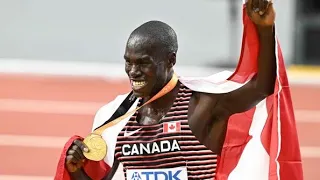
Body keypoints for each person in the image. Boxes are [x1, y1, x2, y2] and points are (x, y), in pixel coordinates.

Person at [55, 0, 303, 179]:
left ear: (171, 61)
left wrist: (264, 29)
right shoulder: (117, 120)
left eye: (143, 63)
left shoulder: (201, 106)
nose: (133, 72)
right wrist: (76, 172)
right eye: (128, 62)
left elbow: (261, 88)